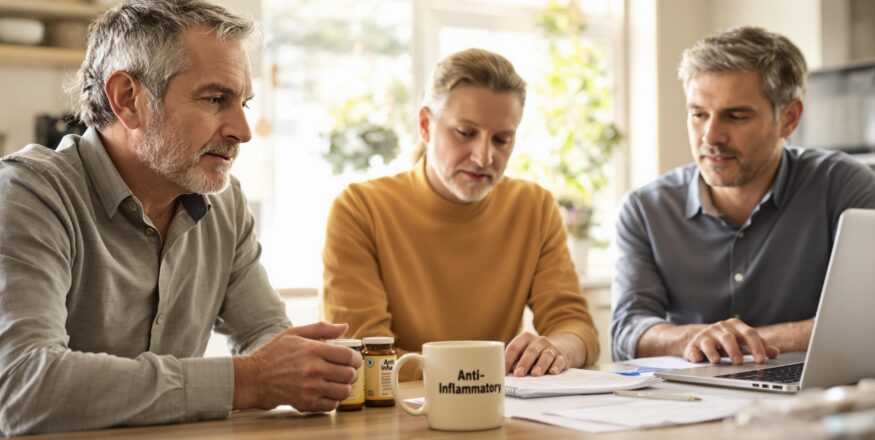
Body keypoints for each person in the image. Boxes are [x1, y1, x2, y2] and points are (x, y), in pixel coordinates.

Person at [0, 0, 360, 435]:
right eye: (215, 99)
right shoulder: (28, 196)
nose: (242, 131)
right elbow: (23, 387)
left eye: (243, 102)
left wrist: (307, 366)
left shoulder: (225, 204)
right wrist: (246, 380)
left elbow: (266, 333)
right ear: (128, 99)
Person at [321, 48, 599, 381]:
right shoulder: (360, 209)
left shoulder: (534, 206)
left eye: (502, 139)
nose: (484, 157)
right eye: (465, 133)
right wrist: (482, 376)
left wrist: (558, 349)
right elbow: (368, 358)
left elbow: (575, 327)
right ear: (425, 125)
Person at [610, 26, 875, 363]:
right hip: (688, 401)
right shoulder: (645, 209)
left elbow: (869, 317)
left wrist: (743, 341)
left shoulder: (844, 185)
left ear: (789, 118)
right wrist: (696, 338)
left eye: (735, 116)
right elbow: (628, 329)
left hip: (809, 399)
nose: (712, 135)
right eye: (698, 115)